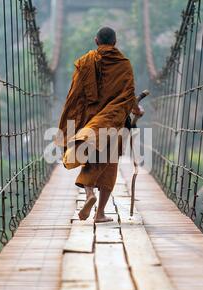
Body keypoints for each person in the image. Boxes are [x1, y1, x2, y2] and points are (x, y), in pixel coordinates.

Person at [57, 26, 144, 223]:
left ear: (96, 41)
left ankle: (89, 195)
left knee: (91, 160)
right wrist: (137, 111)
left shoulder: (85, 62)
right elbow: (128, 95)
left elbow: (75, 95)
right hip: (114, 122)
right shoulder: (124, 64)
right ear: (115, 42)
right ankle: (100, 213)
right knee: (110, 165)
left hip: (91, 122)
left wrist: (71, 121)